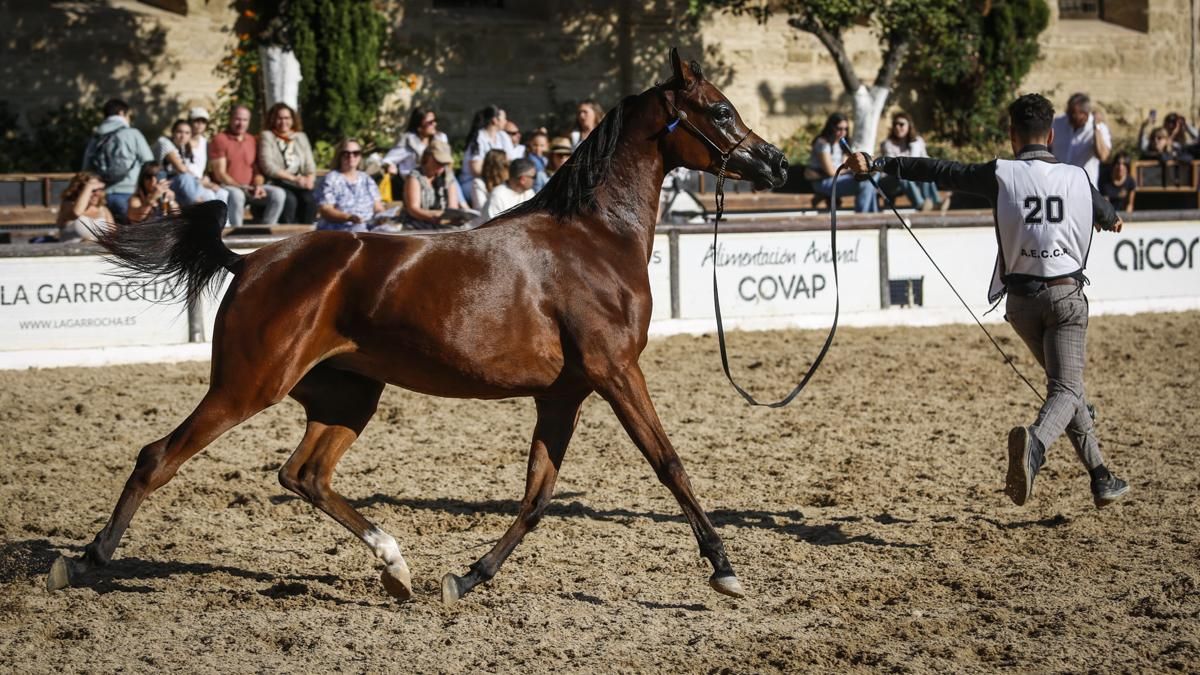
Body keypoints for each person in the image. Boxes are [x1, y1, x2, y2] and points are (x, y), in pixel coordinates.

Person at [843, 93, 1129, 509]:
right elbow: (1108, 216)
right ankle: (1035, 446)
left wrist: (878, 162)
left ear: (1012, 135)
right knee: (1066, 388)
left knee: (1067, 390)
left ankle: (1102, 477)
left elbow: (939, 170)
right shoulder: (1077, 177)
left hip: (1020, 304)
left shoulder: (1000, 174)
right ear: (1051, 135)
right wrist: (1110, 218)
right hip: (1066, 298)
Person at [209, 105, 286, 226]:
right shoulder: (220, 139)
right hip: (228, 187)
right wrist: (241, 187)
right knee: (237, 195)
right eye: (237, 119)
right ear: (230, 119)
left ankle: (267, 230)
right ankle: (238, 232)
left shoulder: (252, 140)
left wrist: (258, 185)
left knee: (278, 194)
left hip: (250, 188)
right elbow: (220, 174)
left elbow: (257, 170)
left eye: (245, 120)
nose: (241, 123)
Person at [81, 98, 154, 224]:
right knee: (131, 233)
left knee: (109, 234)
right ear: (121, 113)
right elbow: (150, 164)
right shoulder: (133, 134)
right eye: (129, 115)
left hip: (102, 196)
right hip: (129, 193)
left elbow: (86, 169)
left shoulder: (96, 137)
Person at [805, 113, 877, 213]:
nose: (843, 132)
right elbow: (831, 172)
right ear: (831, 127)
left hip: (840, 178)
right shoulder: (822, 143)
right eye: (839, 129)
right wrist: (852, 169)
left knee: (871, 177)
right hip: (824, 181)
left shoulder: (842, 143)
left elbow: (845, 165)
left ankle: (870, 216)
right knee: (866, 182)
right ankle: (865, 216)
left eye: (846, 129)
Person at [258, 102, 317, 224]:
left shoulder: (301, 137)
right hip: (278, 181)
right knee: (290, 200)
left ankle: (308, 233)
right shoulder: (267, 136)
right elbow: (268, 166)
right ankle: (288, 234)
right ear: (273, 119)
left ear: (293, 119)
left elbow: (310, 164)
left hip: (299, 183)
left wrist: (310, 179)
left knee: (310, 199)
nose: (283, 121)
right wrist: (295, 179)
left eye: (287, 118)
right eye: (279, 118)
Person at [879, 112, 943, 212]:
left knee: (926, 171)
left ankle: (935, 203)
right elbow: (895, 166)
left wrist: (915, 147)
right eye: (895, 124)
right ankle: (920, 205)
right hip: (889, 181)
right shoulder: (888, 144)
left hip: (911, 179)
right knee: (902, 175)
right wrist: (914, 153)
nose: (897, 127)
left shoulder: (917, 141)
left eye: (901, 124)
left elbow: (926, 160)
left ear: (909, 126)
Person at [315, 138, 383, 232]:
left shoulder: (367, 179)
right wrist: (349, 217)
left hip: (369, 227)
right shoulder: (331, 179)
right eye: (346, 153)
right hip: (340, 230)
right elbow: (326, 210)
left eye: (356, 153)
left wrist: (382, 216)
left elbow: (378, 206)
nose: (351, 156)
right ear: (339, 156)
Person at [153, 120, 219, 206]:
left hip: (177, 186)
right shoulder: (164, 142)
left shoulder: (183, 147)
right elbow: (181, 169)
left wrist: (204, 181)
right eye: (179, 132)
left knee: (213, 194)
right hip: (160, 183)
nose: (183, 136)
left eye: (187, 133)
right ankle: (198, 203)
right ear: (173, 132)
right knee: (185, 178)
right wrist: (201, 181)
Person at [1050, 92, 1111, 186]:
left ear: (1084, 114)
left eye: (1072, 113)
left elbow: (1103, 156)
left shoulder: (1099, 128)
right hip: (1059, 185)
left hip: (1083, 187)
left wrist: (1096, 128)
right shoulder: (1058, 123)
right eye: (1068, 111)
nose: (1068, 115)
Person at [401, 139, 462, 229]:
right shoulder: (415, 177)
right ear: (427, 157)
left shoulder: (448, 177)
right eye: (438, 162)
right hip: (417, 224)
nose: (441, 166)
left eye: (445, 163)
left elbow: (453, 207)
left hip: (443, 224)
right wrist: (435, 215)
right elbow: (413, 209)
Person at [459, 105, 514, 202]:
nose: (506, 121)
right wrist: (497, 172)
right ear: (495, 120)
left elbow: (510, 161)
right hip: (475, 183)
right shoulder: (478, 139)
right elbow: (476, 169)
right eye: (504, 118)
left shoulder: (503, 136)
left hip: (497, 181)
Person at [382, 107, 448, 176]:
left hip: (437, 179)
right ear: (419, 127)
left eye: (435, 120)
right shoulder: (408, 141)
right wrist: (390, 167)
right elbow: (388, 160)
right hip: (412, 179)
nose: (435, 124)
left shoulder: (440, 138)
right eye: (430, 122)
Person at [55, 172, 114, 242]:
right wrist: (89, 186)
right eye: (93, 190)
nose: (97, 194)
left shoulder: (103, 210)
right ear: (78, 190)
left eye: (100, 189)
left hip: (97, 248)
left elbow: (113, 235)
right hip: (71, 248)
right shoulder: (68, 205)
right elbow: (76, 213)